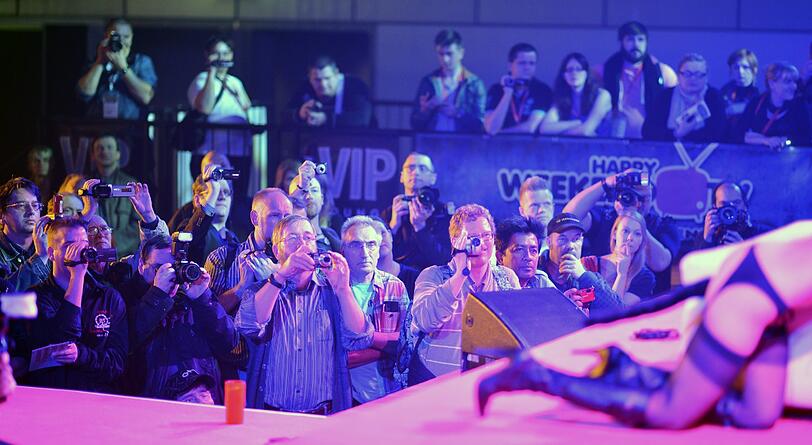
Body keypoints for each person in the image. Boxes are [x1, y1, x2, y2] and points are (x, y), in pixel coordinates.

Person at [479, 220, 812, 429]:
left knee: (756, 413)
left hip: (772, 286)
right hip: (755, 292)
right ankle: (536, 375)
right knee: (671, 411)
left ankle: (635, 373)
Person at [235, 215, 373, 414]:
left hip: (324, 415)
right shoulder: (262, 290)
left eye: (308, 238)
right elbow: (248, 325)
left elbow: (360, 337)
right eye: (293, 238)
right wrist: (281, 275)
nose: (302, 244)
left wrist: (343, 289)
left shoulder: (333, 290)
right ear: (277, 251)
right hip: (272, 414)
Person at [410, 204, 520, 381]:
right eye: (472, 238)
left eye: (486, 235)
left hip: (486, 379)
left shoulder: (506, 277)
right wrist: (461, 273)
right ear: (455, 241)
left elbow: (515, 331)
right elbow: (425, 322)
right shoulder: (433, 275)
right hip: (436, 380)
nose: (481, 243)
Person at [18, 218, 127, 393]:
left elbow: (117, 363)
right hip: (51, 397)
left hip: (96, 398)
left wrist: (82, 356)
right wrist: (76, 277)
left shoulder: (108, 297)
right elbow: (62, 342)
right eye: (70, 246)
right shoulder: (35, 298)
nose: (79, 252)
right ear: (51, 253)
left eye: (83, 245)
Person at [563, 169, 680, 293]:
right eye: (630, 196)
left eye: (644, 198)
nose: (637, 203)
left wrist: (635, 219)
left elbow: (661, 263)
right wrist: (604, 184)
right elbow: (569, 217)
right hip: (598, 298)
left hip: (652, 301)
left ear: (651, 198)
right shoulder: (606, 218)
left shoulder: (663, 224)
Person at [341, 216, 409, 404]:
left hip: (390, 392)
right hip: (347, 397)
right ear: (343, 251)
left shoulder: (395, 286)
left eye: (371, 244)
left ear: (379, 249)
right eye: (356, 245)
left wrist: (360, 345)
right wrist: (385, 346)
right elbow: (331, 351)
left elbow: (406, 343)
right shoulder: (332, 288)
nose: (364, 253)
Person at [204, 187, 292, 315]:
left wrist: (274, 280)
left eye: (287, 217)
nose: (282, 223)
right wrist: (241, 287)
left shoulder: (295, 261)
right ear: (255, 218)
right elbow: (208, 314)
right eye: (274, 215)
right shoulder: (221, 257)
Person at [597, 21, 678, 139]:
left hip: (649, 139)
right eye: (630, 39)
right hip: (612, 137)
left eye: (641, 40)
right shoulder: (604, 71)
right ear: (621, 42)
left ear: (646, 42)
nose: (636, 44)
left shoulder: (663, 73)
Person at [537, 213, 624, 317]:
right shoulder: (535, 271)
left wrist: (583, 276)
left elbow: (619, 312)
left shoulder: (588, 276)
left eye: (576, 239)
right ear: (549, 242)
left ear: (582, 241)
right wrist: (560, 308)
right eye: (562, 239)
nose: (570, 246)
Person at [187, 36, 253, 173]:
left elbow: (246, 106)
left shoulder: (235, 82)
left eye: (225, 53)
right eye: (216, 53)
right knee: (213, 187)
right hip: (211, 154)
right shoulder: (201, 80)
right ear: (208, 55)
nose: (221, 57)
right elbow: (204, 108)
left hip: (239, 152)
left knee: (237, 186)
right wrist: (211, 72)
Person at [381, 153, 452, 270]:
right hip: (397, 276)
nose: (416, 172)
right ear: (402, 176)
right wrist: (393, 227)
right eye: (410, 168)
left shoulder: (443, 213)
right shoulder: (389, 213)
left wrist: (420, 227)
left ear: (433, 178)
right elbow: (379, 256)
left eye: (422, 168)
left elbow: (445, 259)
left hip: (432, 277)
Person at [76, 17, 157, 120]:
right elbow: (84, 94)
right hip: (97, 127)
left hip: (130, 127)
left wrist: (123, 67)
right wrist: (100, 62)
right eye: (117, 36)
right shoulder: (92, 64)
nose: (121, 41)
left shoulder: (141, 62)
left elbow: (146, 97)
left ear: (132, 38)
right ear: (106, 36)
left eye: (126, 37)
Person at [411, 29, 486, 133]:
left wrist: (458, 113)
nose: (445, 59)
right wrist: (425, 111)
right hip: (433, 140)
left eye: (449, 54)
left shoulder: (475, 84)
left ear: (461, 53)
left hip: (462, 142)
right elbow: (414, 123)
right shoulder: (428, 82)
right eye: (441, 54)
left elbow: (481, 126)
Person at [642, 53, 727, 142]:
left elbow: (720, 134)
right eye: (687, 74)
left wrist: (686, 133)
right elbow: (648, 132)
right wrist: (676, 133)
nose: (692, 79)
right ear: (678, 76)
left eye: (698, 74)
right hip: (667, 150)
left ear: (706, 78)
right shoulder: (664, 96)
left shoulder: (715, 97)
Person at [85, 135, 140, 257]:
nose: (104, 151)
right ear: (93, 155)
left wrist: (114, 240)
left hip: (125, 255)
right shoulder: (87, 185)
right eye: (100, 148)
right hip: (92, 253)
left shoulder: (129, 184)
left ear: (118, 154)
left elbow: (139, 222)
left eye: (109, 147)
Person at [736, 62, 811, 148]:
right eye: (788, 82)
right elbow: (739, 135)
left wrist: (786, 141)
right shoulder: (756, 103)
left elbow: (806, 139)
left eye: (795, 82)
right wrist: (765, 140)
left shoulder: (800, 106)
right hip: (757, 155)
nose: (794, 86)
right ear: (771, 84)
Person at [483, 43, 552, 135]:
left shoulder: (542, 90)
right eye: (522, 63)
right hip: (498, 144)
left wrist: (500, 134)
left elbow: (531, 127)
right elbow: (490, 128)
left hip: (529, 143)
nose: (527, 68)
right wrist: (507, 93)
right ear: (510, 66)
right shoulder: (496, 89)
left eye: (532, 63)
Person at [287, 56, 374, 128]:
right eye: (317, 80)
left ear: (337, 74)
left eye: (327, 78)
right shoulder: (305, 87)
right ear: (309, 78)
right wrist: (299, 114)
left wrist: (325, 119)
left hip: (358, 141)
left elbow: (361, 119)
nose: (323, 84)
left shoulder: (355, 85)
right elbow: (285, 116)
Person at [539, 53, 612, 136]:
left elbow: (586, 131)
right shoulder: (562, 97)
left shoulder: (602, 95)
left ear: (586, 73)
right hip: (571, 143)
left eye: (578, 69)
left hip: (600, 143)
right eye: (570, 70)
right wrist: (577, 123)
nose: (574, 73)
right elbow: (545, 128)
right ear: (564, 75)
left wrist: (560, 132)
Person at [180, 164, 238, 266]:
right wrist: (213, 190)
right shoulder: (187, 228)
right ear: (197, 200)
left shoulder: (233, 238)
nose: (222, 197)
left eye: (226, 192)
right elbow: (191, 241)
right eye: (216, 192)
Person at [0, 178, 50, 292]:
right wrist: (41, 256)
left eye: (35, 205)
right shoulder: (43, 251)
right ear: (2, 215)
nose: (31, 211)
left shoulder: (50, 245)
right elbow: (5, 294)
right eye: (21, 205)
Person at [598, 212, 655, 305]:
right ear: (614, 234)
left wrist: (622, 274)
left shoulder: (645, 277)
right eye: (625, 231)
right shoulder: (591, 263)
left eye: (637, 234)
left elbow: (616, 309)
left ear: (642, 240)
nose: (630, 238)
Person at [288, 161, 340, 252]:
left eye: (314, 190)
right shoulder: (285, 240)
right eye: (303, 191)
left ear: (322, 199)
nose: (309, 196)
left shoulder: (332, 238)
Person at [697, 181, 764, 249]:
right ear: (714, 207)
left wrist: (743, 249)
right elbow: (697, 255)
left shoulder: (761, 236)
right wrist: (707, 240)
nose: (730, 209)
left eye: (736, 203)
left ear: (745, 205)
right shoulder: (704, 237)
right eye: (723, 204)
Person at [495, 216, 554, 289]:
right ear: (500, 258)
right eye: (519, 250)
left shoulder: (541, 281)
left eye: (533, 251)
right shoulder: (492, 285)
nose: (528, 257)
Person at [369, 217, 420, 298]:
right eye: (373, 236)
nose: (380, 239)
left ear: (390, 235)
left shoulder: (414, 277)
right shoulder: (361, 282)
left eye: (383, 233)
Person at [720, 49, 760, 132]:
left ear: (754, 70)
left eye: (745, 67)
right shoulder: (724, 92)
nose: (740, 72)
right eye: (736, 68)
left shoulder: (761, 95)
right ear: (730, 70)